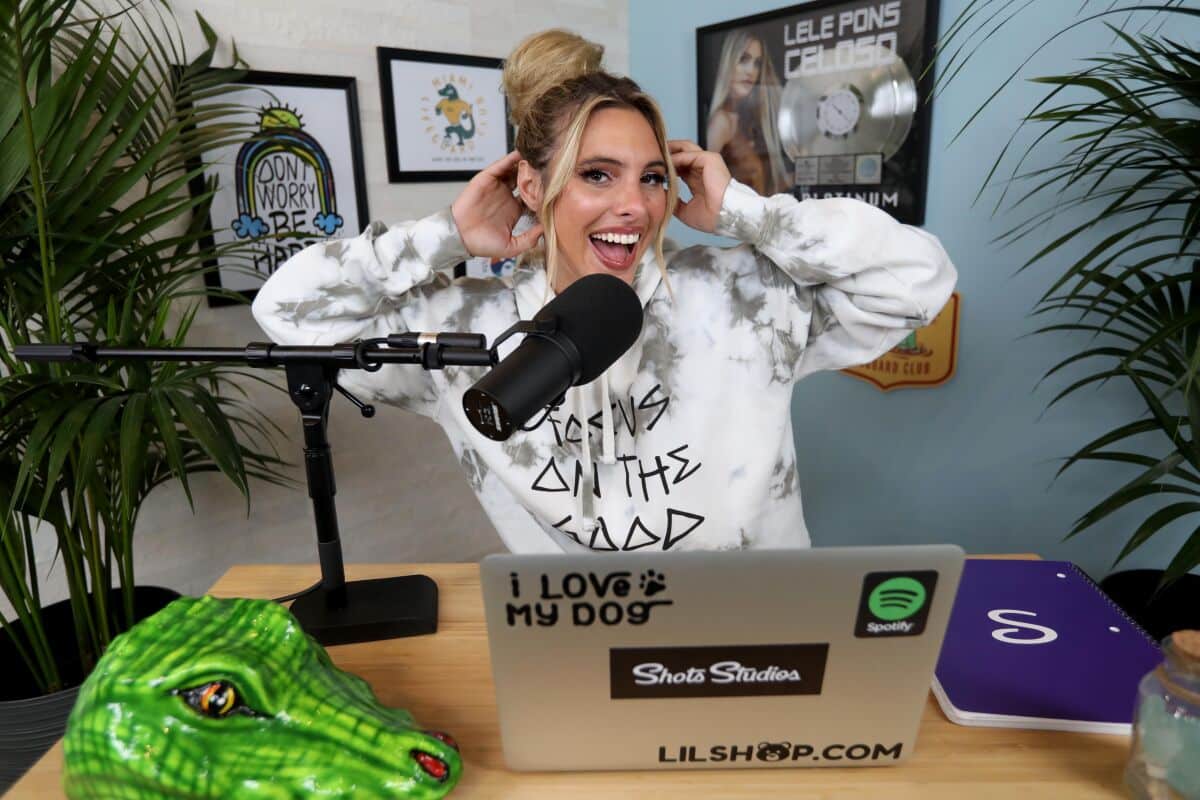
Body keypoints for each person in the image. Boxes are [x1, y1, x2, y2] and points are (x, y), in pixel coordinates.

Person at [252, 29, 956, 554]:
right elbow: (285, 311)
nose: (635, 206)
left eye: (652, 178)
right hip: (576, 643)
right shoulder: (467, 330)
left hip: (760, 633)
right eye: (597, 174)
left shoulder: (744, 298)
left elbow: (917, 279)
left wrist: (748, 213)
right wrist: (443, 237)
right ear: (532, 188)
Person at [705, 30, 790, 196]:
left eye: (757, 63)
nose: (751, 71)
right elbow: (705, 188)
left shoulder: (752, 122)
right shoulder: (721, 122)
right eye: (743, 59)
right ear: (728, 62)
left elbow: (759, 193)